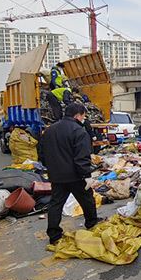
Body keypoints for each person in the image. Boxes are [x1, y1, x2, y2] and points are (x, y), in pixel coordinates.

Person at [41, 103, 97, 245]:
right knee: (87, 199)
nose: (84, 119)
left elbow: (41, 154)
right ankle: (92, 223)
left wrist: (51, 168)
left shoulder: (49, 130)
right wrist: (86, 175)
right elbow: (82, 157)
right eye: (83, 116)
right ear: (77, 115)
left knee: (56, 204)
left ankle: (54, 235)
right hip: (75, 175)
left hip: (56, 175)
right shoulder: (79, 131)